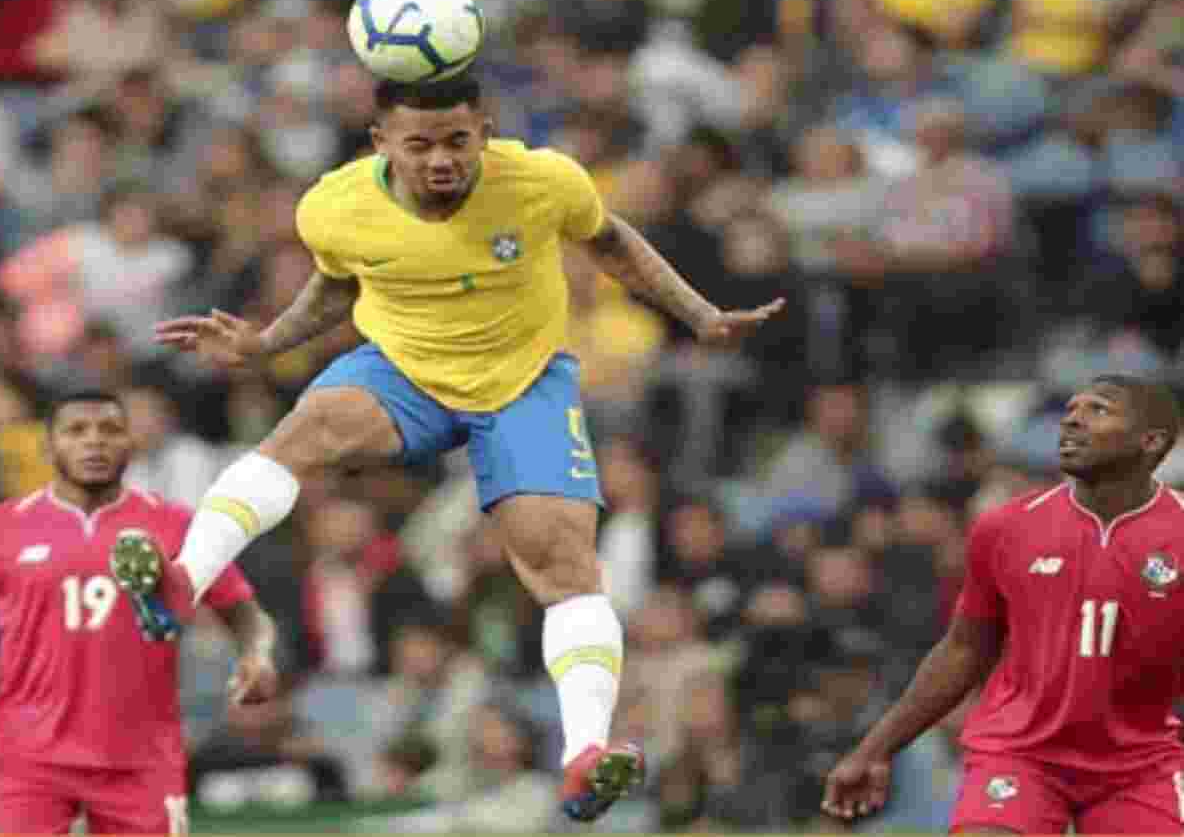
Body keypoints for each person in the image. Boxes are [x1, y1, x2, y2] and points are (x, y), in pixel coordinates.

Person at [142, 73, 784, 822]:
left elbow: (611, 242)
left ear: (485, 131)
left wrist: (697, 313)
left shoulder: (541, 182)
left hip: (522, 384)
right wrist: (267, 342)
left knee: (566, 563)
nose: (441, 159)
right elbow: (337, 281)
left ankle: (584, 754)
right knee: (301, 434)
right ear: (382, 143)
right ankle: (182, 582)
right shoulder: (334, 205)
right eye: (419, 145)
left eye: (457, 141)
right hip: (405, 370)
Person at [823, 375, 1184, 834]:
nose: (1072, 420)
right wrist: (875, 749)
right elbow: (963, 649)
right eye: (1071, 409)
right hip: (1020, 754)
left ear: (1151, 441)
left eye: (1098, 409)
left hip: (1141, 764)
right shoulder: (1007, 527)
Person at [0, 390, 279, 836]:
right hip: (27, 758)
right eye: (76, 430)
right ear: (47, 446)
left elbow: (244, 612)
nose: (94, 441)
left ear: (130, 443)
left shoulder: (177, 524)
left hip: (140, 757)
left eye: (110, 430)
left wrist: (257, 655)